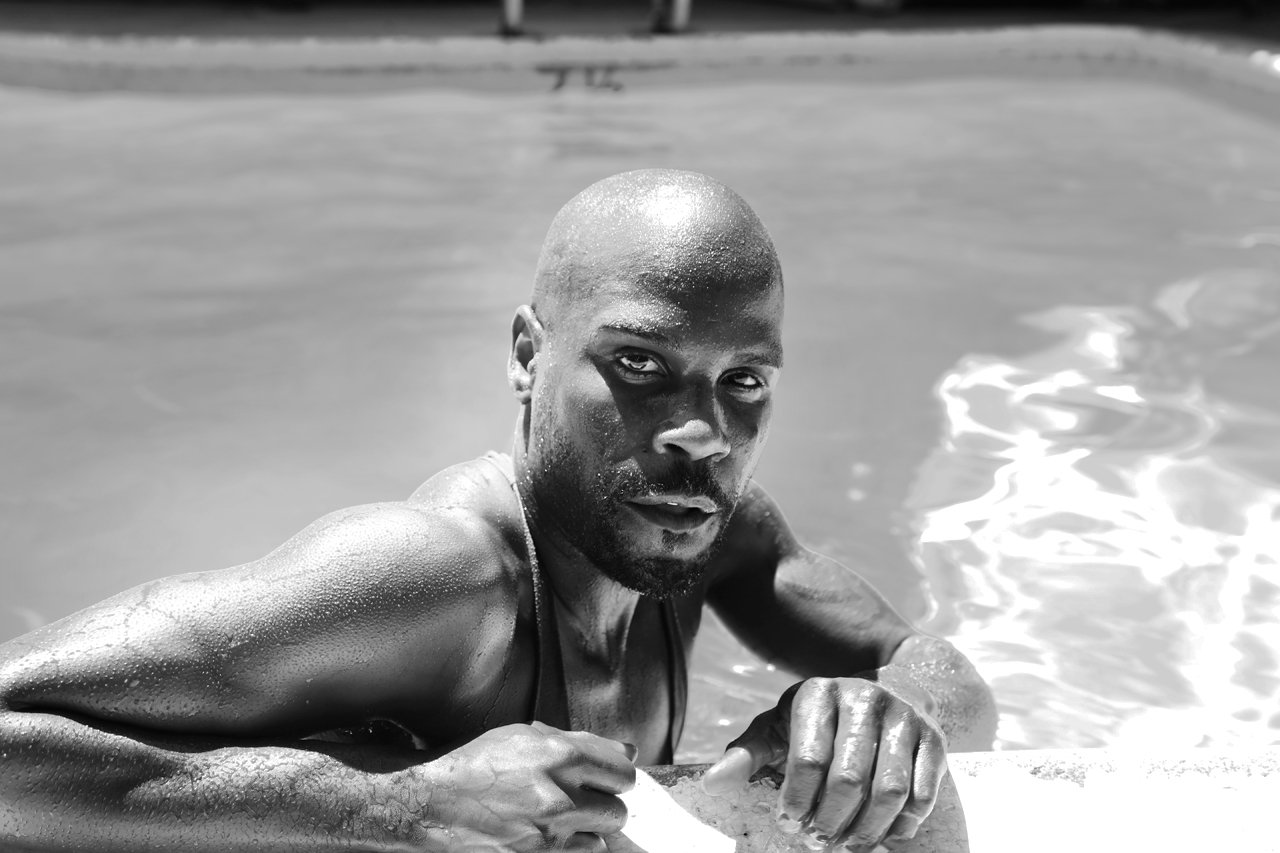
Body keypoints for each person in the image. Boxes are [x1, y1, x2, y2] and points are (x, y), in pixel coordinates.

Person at [0, 169, 996, 853]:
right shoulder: (434, 581)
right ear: (528, 355)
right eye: (638, 362)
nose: (701, 432)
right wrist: (394, 806)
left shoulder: (705, 523)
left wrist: (886, 722)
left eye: (742, 380)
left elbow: (933, 665)